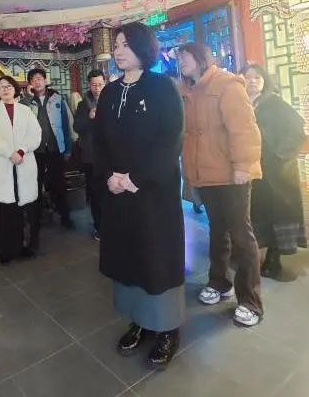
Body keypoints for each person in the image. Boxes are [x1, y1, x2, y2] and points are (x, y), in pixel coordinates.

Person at [95, 22, 185, 368]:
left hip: (153, 192)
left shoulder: (162, 86)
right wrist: (109, 176)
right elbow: (99, 141)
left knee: (156, 257)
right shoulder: (109, 91)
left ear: (143, 48)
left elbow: (170, 140)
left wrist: (136, 178)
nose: (118, 51)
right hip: (117, 191)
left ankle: (167, 328)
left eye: (126, 45)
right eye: (116, 45)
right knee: (128, 257)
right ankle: (139, 320)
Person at [178, 43, 264, 327]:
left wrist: (242, 166)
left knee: (242, 235)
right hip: (207, 175)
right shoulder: (188, 90)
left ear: (200, 58)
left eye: (184, 56)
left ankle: (250, 301)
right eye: (179, 58)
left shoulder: (227, 83)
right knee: (217, 230)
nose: (181, 62)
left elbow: (244, 129)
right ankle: (219, 282)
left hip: (232, 174)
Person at [241, 64, 306, 280]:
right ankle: (255, 255)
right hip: (250, 169)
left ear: (264, 80)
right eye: (248, 77)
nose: (252, 81)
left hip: (276, 172)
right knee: (255, 213)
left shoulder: (275, 103)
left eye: (257, 77)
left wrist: (279, 154)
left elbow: (296, 128)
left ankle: (273, 258)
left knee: (276, 214)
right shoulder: (239, 103)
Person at [0, 75, 42, 264]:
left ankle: (25, 245)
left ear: (15, 89)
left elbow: (35, 134)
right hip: (2, 165)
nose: (6, 89)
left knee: (23, 207)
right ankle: (6, 250)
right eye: (1, 87)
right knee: (5, 209)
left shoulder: (26, 111)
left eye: (9, 86)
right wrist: (9, 153)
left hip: (23, 164)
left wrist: (21, 150)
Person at [23, 68, 74, 229]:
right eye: (33, 79)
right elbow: (20, 121)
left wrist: (68, 149)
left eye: (39, 78)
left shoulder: (58, 98)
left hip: (55, 148)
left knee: (59, 184)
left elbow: (66, 125)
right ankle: (36, 220)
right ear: (30, 84)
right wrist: (28, 97)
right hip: (34, 151)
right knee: (35, 185)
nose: (37, 82)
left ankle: (65, 217)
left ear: (45, 81)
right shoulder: (26, 102)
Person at [73, 69, 107, 240]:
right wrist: (89, 117)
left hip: (110, 157)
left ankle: (112, 226)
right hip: (91, 157)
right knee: (95, 193)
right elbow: (76, 127)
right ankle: (99, 226)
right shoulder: (82, 104)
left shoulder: (111, 100)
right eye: (94, 85)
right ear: (89, 85)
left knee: (111, 193)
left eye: (100, 84)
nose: (97, 88)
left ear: (105, 83)